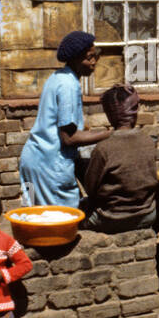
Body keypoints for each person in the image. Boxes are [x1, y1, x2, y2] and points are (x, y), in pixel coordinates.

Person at [18, 31, 112, 207]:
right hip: (49, 166)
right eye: (89, 58)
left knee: (30, 213)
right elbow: (69, 138)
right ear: (75, 59)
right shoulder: (68, 86)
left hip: (31, 162)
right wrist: (110, 134)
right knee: (60, 220)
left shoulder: (58, 77)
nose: (93, 62)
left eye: (95, 56)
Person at [81, 84, 158, 232]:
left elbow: (91, 189)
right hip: (147, 215)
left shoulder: (103, 149)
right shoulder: (148, 141)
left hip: (112, 219)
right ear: (134, 112)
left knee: (75, 215)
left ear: (109, 115)